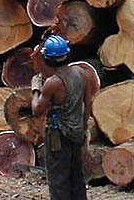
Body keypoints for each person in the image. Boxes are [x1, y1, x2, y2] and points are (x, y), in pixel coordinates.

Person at [31, 34, 94, 200]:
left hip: (58, 135)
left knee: (58, 179)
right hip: (76, 131)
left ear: (48, 59)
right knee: (76, 177)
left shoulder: (53, 83)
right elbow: (88, 102)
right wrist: (83, 125)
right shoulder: (82, 73)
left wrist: (36, 89)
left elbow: (36, 111)